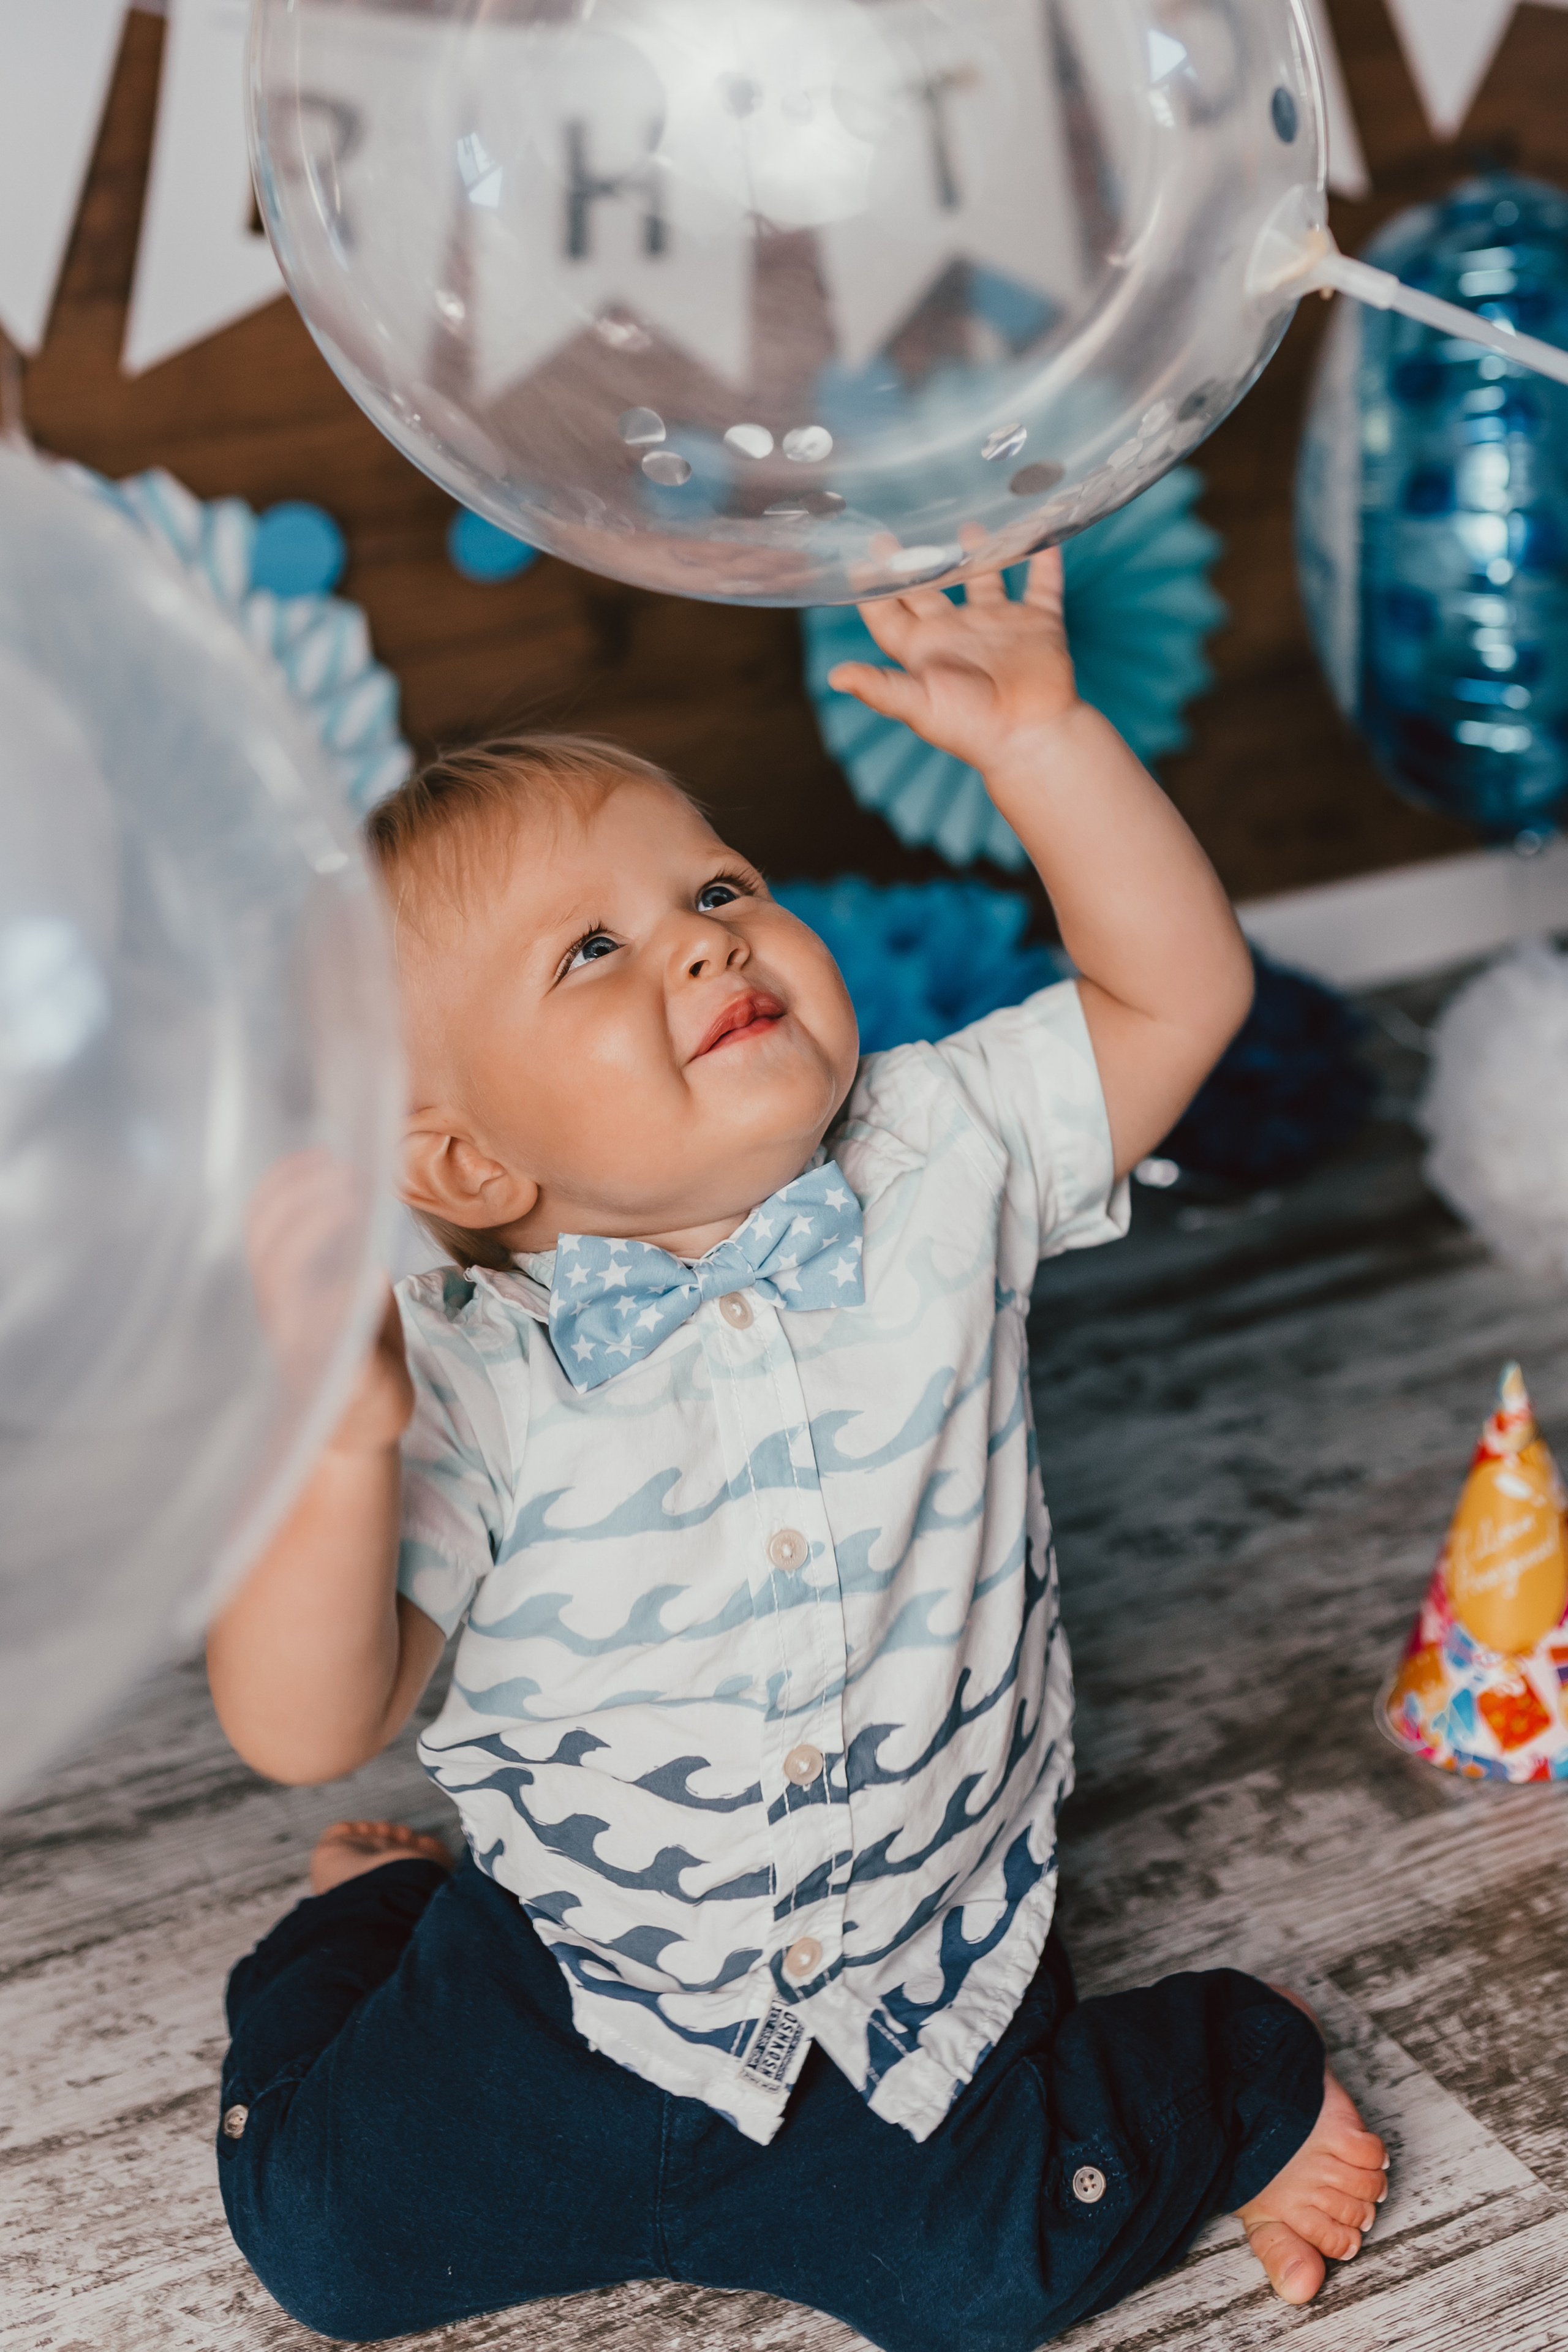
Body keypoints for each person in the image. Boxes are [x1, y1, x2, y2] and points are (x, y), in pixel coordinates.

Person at [207, 555, 1387, 2351]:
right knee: (326, 2249)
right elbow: (306, 1722)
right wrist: (333, 1450)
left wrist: (1045, 745)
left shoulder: (939, 1154)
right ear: (468, 1165)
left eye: (718, 887)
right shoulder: (465, 1372)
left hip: (917, 1972)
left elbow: (1180, 997)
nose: (704, 940)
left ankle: (1234, 2064)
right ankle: (367, 1930)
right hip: (579, 1988)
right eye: (591, 951)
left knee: (985, 2287)